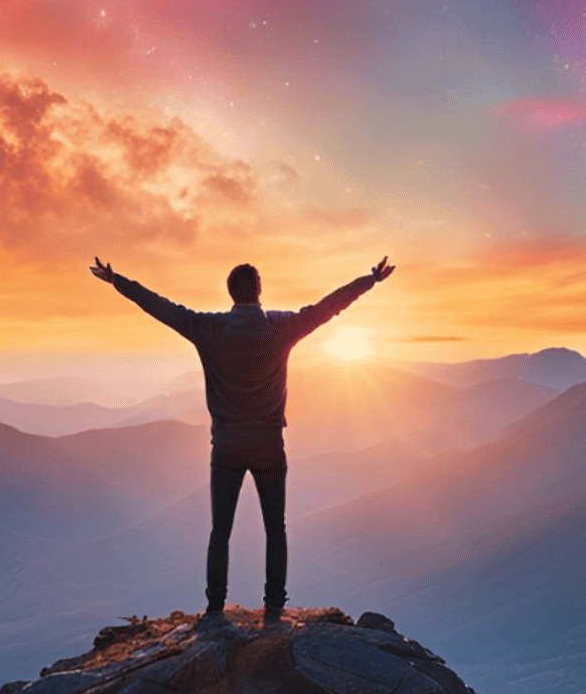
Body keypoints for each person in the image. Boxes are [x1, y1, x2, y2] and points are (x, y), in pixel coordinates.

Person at [90, 255, 395, 626]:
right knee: (275, 527)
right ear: (260, 291)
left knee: (221, 529)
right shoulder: (281, 327)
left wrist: (117, 280)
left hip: (227, 447)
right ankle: (274, 607)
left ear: (231, 293)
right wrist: (369, 280)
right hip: (269, 446)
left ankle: (215, 609)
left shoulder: (209, 329)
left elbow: (162, 308)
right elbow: (328, 307)